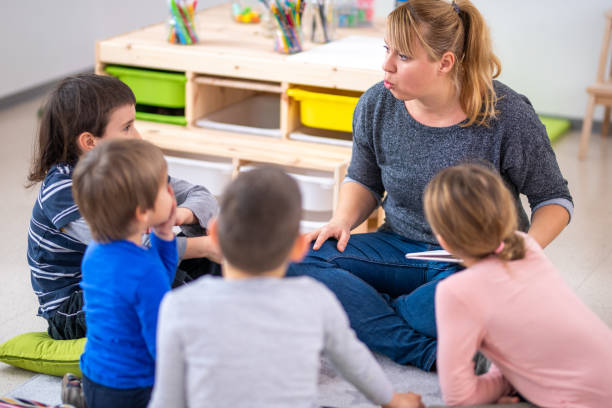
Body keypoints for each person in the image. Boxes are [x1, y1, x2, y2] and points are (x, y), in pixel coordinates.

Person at [287, 0, 573, 371]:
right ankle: (426, 349)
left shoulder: (508, 113)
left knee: (436, 305)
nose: (386, 65)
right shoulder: (376, 103)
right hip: (398, 248)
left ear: (446, 62)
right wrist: (341, 221)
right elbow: (364, 179)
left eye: (403, 56)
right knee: (298, 259)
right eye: (386, 49)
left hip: (478, 259)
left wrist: (522, 251)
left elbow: (554, 198)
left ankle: (373, 310)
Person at [148, 167, 424, 408]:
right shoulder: (315, 299)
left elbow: (167, 399)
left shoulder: (180, 306)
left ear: (216, 233)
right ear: (299, 247)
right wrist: (394, 400)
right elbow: (355, 362)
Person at [26, 73, 220, 340]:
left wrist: (178, 215)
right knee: (162, 278)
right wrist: (206, 247)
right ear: (90, 142)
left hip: (129, 266)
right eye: (127, 127)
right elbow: (130, 249)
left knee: (202, 247)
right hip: (74, 304)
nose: (138, 136)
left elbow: (201, 195)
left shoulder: (127, 166)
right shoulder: (63, 191)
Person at [424, 163, 612, 407]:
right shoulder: (526, 246)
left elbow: (459, 397)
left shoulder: (455, 292)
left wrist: (503, 381)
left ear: (444, 240)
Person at [72, 138, 179, 408]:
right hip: (133, 389)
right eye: (165, 187)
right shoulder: (145, 271)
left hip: (94, 375)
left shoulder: (95, 251)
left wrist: (164, 234)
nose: (171, 191)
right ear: (143, 212)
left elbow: (156, 282)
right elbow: (162, 345)